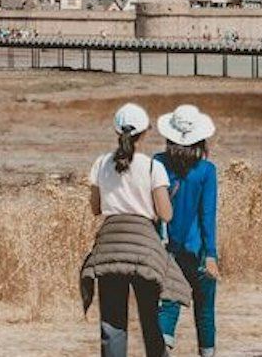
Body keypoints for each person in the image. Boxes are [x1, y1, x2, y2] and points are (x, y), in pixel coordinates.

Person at [80, 103, 185, 357]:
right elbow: (166, 214)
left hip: (110, 245)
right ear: (145, 132)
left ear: (117, 131)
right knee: (151, 319)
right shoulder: (152, 167)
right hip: (145, 248)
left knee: (112, 322)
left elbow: (96, 208)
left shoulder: (100, 163)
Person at [155, 105, 219, 357]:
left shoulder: (158, 163)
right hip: (198, 250)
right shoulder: (206, 171)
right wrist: (211, 254)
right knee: (204, 311)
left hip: (166, 249)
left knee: (168, 304)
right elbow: (207, 215)